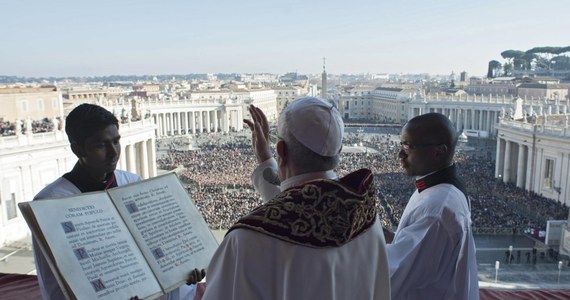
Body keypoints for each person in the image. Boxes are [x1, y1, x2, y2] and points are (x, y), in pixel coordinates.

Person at [201, 96, 390, 299]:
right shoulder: (368, 219)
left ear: (280, 150)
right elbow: (306, 209)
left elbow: (293, 214)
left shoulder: (246, 241)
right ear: (339, 151)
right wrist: (266, 161)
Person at [32, 103, 203, 300]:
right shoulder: (49, 204)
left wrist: (182, 274)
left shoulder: (132, 183)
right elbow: (54, 284)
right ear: (77, 149)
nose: (113, 152)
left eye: (116, 141)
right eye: (101, 145)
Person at [384, 112, 479, 299]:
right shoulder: (438, 189)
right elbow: (432, 254)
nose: (400, 154)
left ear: (439, 151)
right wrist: (395, 239)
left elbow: (394, 275)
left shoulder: (437, 208)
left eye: (408, 146)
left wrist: (361, 246)